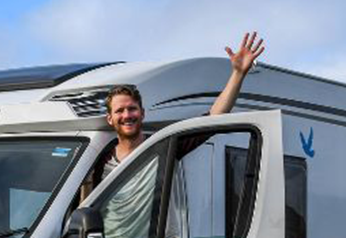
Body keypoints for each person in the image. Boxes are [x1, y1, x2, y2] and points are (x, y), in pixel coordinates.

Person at [81, 31, 265, 199]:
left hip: (155, 237)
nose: (127, 115)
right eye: (119, 111)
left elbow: (213, 117)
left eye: (132, 108)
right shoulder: (101, 159)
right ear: (110, 119)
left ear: (142, 113)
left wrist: (238, 73)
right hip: (109, 237)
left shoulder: (163, 147)